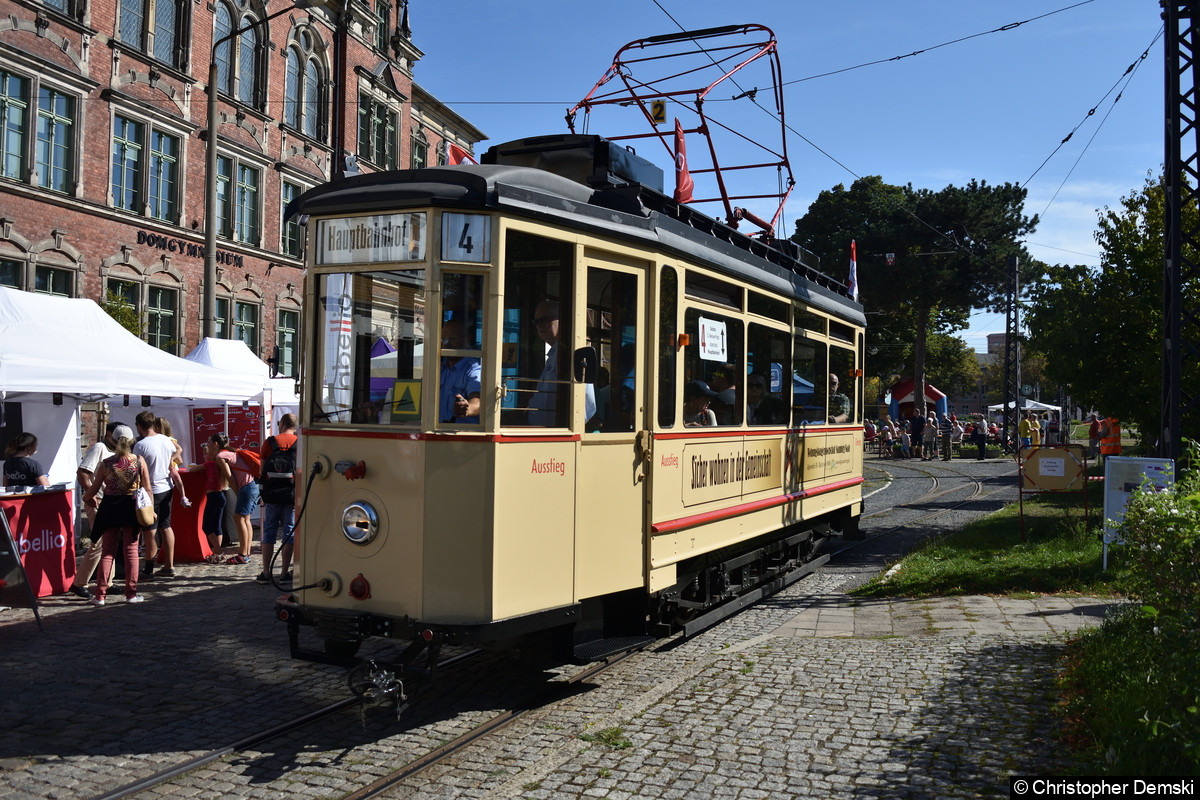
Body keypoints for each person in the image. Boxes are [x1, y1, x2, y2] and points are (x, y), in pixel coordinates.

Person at [82, 429, 152, 604]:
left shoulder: (106, 463)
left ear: (112, 441)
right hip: (130, 506)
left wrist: (87, 498)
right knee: (131, 551)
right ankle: (131, 593)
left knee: (107, 552)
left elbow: (94, 487)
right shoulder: (138, 461)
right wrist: (151, 509)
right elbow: (147, 488)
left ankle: (100, 595)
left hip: (110, 507)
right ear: (131, 441)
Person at [68, 422, 128, 601]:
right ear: (110, 434)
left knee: (110, 541)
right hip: (98, 500)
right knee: (99, 543)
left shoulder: (116, 451)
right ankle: (79, 583)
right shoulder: (100, 448)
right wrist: (90, 493)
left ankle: (107, 582)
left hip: (110, 501)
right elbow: (83, 472)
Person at [133, 410, 188, 579]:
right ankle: (169, 565)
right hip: (166, 487)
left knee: (150, 531)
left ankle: (148, 569)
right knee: (166, 526)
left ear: (139, 426)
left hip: (151, 490)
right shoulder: (166, 440)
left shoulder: (140, 445)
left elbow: (136, 469)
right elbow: (177, 453)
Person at [528, 300, 595, 426]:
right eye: (536, 322)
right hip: (542, 434)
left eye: (545, 320)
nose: (539, 326)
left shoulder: (571, 353)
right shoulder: (553, 355)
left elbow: (586, 405)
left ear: (562, 320)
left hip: (557, 436)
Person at [257, 414, 298, 585]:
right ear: (295, 426)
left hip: (272, 494)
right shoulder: (299, 443)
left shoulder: (270, 442)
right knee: (289, 530)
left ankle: (266, 573)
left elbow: (261, 470)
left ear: (281, 424)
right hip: (292, 494)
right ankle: (283, 573)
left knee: (269, 531)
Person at [438, 317, 481, 424]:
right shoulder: (440, 369)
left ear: (467, 339)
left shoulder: (473, 369)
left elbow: (478, 400)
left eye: (451, 338)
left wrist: (468, 408)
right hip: (437, 433)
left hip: (463, 436)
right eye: (444, 338)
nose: (446, 343)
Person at [201, 432, 234, 564]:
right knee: (216, 525)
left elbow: (194, 469)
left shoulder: (212, 462)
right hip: (220, 495)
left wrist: (206, 460)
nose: (207, 445)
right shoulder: (221, 459)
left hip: (214, 496)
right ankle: (217, 552)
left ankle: (219, 551)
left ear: (215, 444)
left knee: (207, 526)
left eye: (209, 442)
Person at [228, 443, 260, 564]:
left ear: (216, 445)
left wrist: (237, 493)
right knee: (245, 519)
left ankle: (243, 554)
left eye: (209, 443)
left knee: (239, 518)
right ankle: (246, 553)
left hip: (247, 487)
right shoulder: (233, 453)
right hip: (253, 485)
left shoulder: (221, 456)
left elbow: (230, 478)